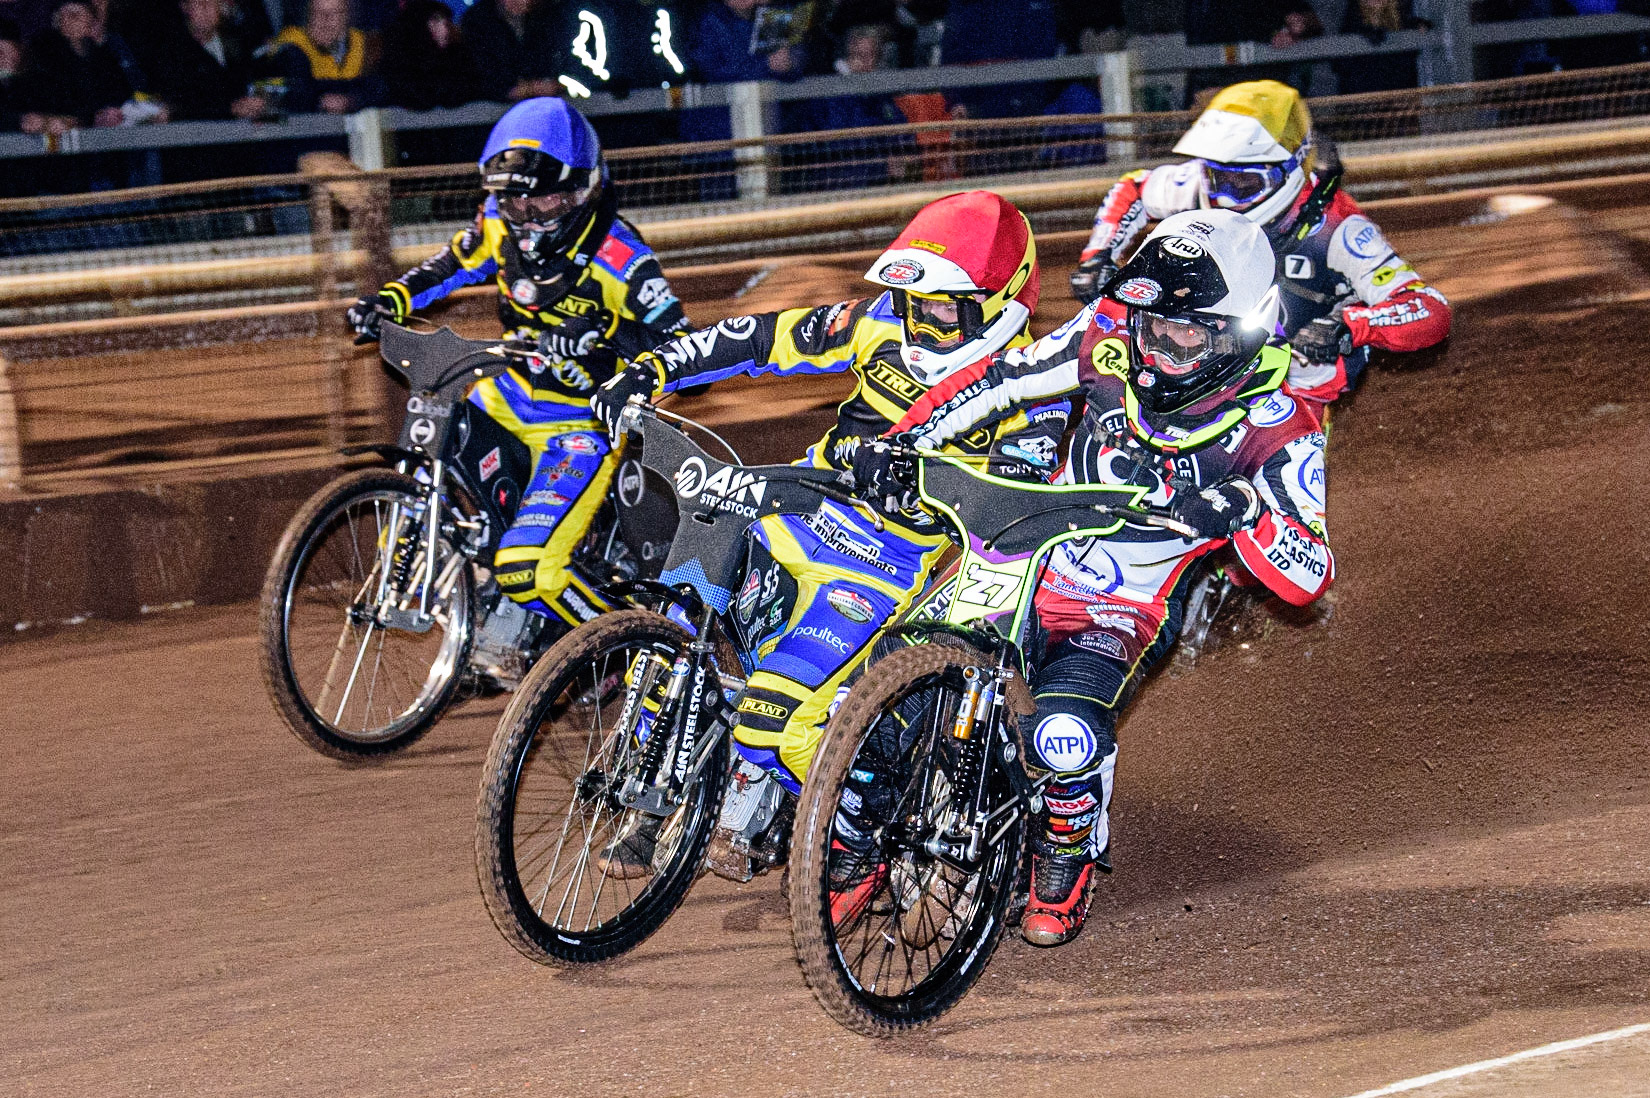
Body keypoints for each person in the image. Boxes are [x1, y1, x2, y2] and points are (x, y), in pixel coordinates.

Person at [879, 209, 1333, 946]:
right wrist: (901, 443)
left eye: (1183, 330)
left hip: (1126, 601)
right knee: (891, 670)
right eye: (1150, 322)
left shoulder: (1282, 425)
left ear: (1241, 329)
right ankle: (853, 832)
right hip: (1024, 550)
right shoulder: (1107, 334)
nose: (1155, 342)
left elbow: (1308, 575)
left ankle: (1066, 843)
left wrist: (1244, 508)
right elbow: (998, 379)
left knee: (1064, 732)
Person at [589, 191, 1063, 879]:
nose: (917, 323)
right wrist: (654, 368)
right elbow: (757, 340)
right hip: (801, 506)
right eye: (910, 304)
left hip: (887, 558)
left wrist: (924, 474)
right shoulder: (876, 325)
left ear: (1003, 304)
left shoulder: (1033, 382)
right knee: (676, 618)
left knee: (769, 716)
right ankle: (658, 800)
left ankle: (859, 821)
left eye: (939, 309)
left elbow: (1023, 485)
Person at [346, 98, 691, 661]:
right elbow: (447, 266)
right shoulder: (494, 223)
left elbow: (683, 349)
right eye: (513, 198)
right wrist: (389, 298)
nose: (525, 214)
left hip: (581, 423)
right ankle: (466, 591)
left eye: (541, 197)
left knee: (527, 570)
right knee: (435, 424)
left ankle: (638, 651)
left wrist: (603, 333)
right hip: (506, 393)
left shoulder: (621, 258)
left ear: (583, 188)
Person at [1069, 80, 1451, 417]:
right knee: (1124, 314)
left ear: (1289, 170)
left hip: (1293, 378)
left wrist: (1350, 325)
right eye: (1216, 178)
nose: (1223, 196)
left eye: (1243, 185)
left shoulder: (1337, 229)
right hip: (1195, 351)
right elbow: (1134, 188)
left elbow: (1429, 308)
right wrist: (1098, 255)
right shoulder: (1200, 182)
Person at [260, 0, 382, 115]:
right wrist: (319, 101)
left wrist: (351, 101)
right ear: (307, 17)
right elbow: (291, 95)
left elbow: (379, 90)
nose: (325, 20)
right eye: (317, 13)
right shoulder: (290, 46)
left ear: (347, 19)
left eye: (335, 13)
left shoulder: (363, 43)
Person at [459, 0, 564, 104]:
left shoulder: (547, 16)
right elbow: (484, 77)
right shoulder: (477, 21)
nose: (526, 2)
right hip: (486, 112)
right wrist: (531, 88)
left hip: (546, 104)